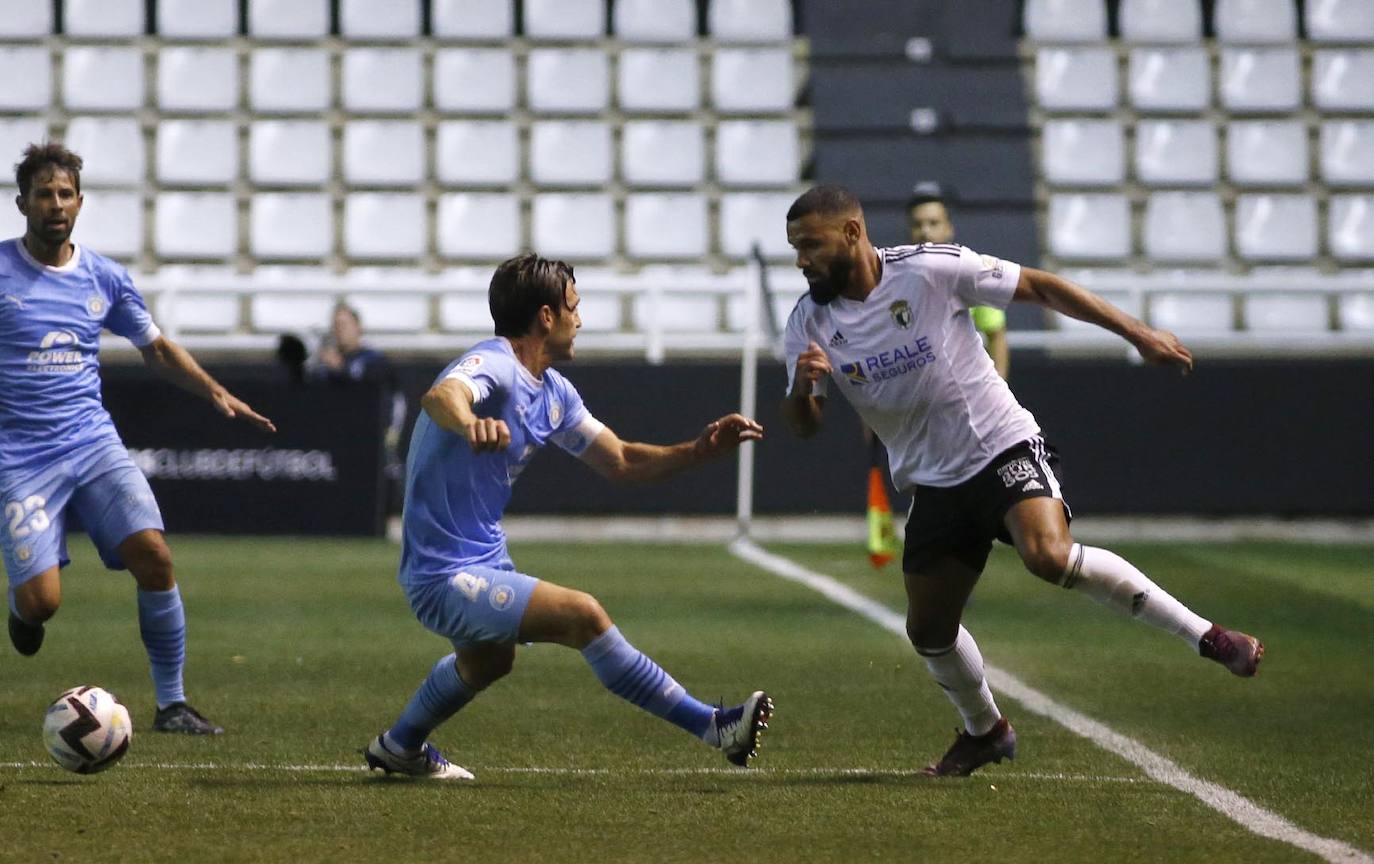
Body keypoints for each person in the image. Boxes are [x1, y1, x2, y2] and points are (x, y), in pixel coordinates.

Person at [780, 185, 1263, 777]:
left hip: (1000, 444)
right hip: (932, 483)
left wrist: (1139, 335)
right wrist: (806, 387)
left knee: (1047, 556)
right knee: (928, 629)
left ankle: (1208, 637)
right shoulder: (808, 320)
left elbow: (1040, 285)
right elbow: (803, 425)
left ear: (852, 233)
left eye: (810, 244)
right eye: (794, 248)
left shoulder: (930, 270)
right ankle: (986, 731)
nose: (801, 260)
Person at [364, 253, 772, 780]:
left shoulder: (554, 393)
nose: (581, 319)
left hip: (483, 560)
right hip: (441, 575)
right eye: (574, 308)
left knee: (490, 661)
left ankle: (398, 746)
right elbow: (442, 395)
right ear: (546, 317)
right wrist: (469, 423)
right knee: (584, 615)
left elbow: (621, 460)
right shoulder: (496, 364)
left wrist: (697, 450)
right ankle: (714, 727)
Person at [3, 142, 276, 734]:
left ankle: (172, 704)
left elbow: (154, 347)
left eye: (66, 194)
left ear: (80, 202)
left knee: (154, 555)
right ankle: (23, 609)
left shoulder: (104, 277)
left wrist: (214, 391)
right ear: (21, 202)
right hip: (19, 458)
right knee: (42, 603)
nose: (56, 205)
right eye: (44, 194)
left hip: (92, 443)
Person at [309, 303, 407, 524]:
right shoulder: (324, 366)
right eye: (336, 325)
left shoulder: (372, 360)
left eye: (344, 324)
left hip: (373, 432)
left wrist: (339, 370)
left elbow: (372, 387)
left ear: (358, 328)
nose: (340, 330)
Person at [907, 189, 1009, 380]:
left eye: (933, 223)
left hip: (966, 387)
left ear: (949, 228)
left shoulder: (971, 275)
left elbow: (996, 335)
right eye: (917, 224)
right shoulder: (897, 278)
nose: (925, 231)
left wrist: (999, 382)